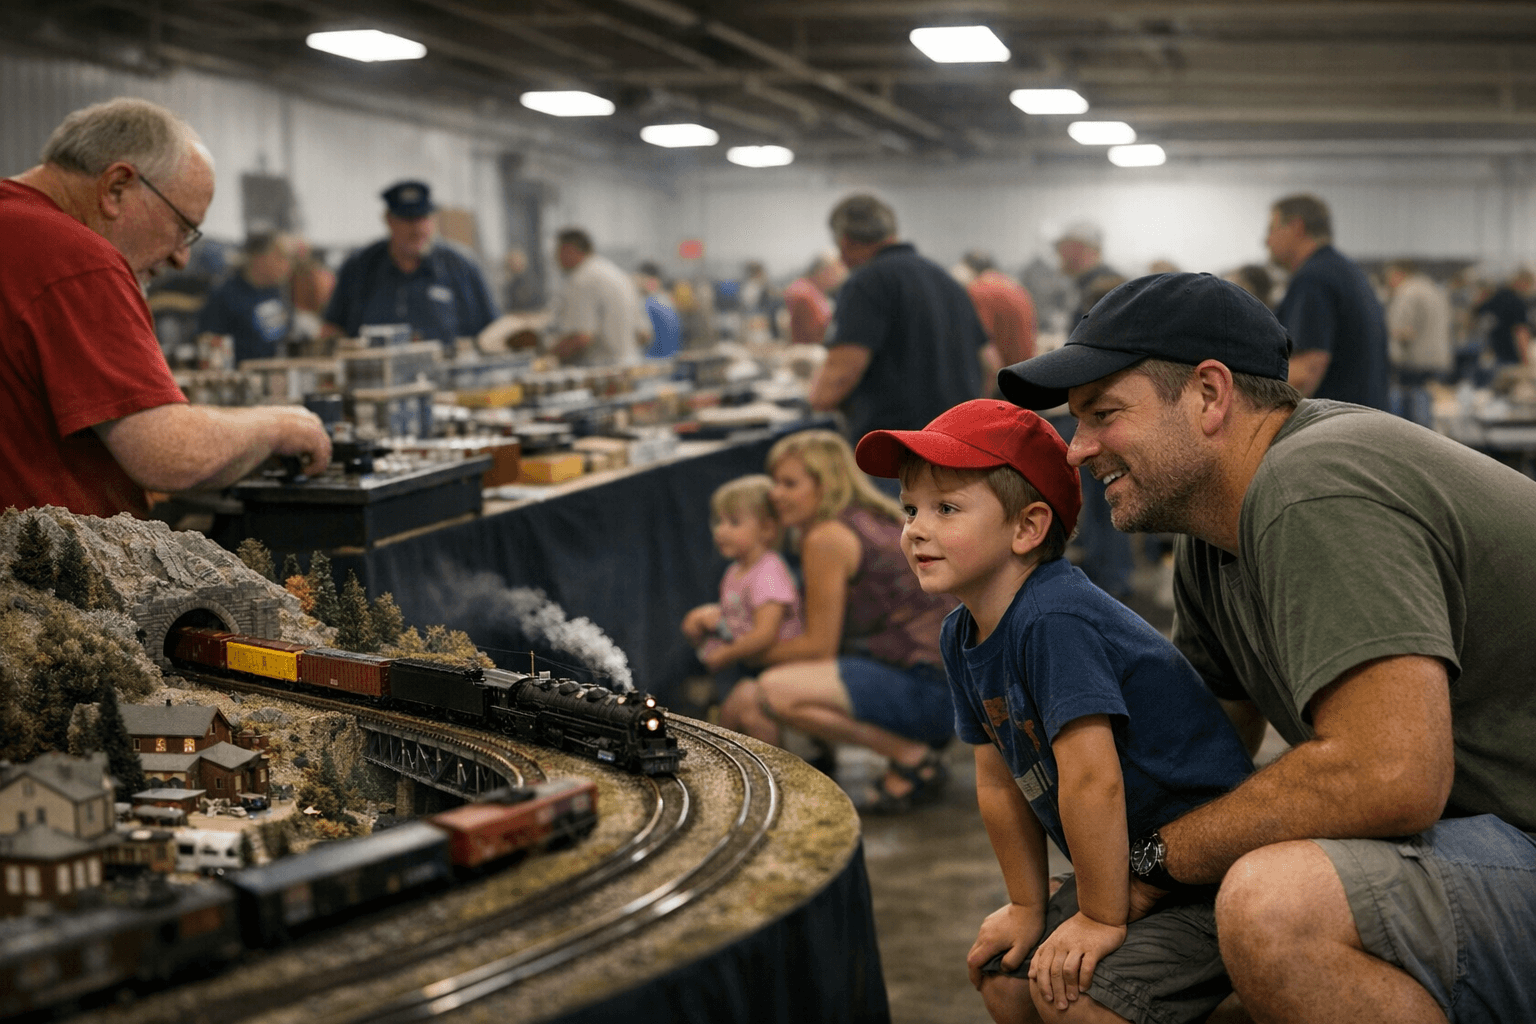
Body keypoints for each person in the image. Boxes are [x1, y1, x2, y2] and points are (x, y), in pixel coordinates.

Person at [999, 271, 1536, 1024]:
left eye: (1103, 414)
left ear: (1211, 396)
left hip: (1513, 836)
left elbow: (1388, 773)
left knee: (1277, 907)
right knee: (1032, 978)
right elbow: (1202, 747)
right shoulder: (1213, 537)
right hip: (1479, 836)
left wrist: (1154, 860)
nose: (1078, 449)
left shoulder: (1315, 485)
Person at [854, 399, 1254, 1024]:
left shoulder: (1053, 620)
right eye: (910, 510)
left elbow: (1093, 781)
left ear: (1027, 527)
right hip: (1127, 869)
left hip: (1208, 881)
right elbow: (996, 781)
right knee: (1005, 978)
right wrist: (1026, 906)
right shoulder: (961, 634)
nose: (915, 529)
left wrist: (1096, 917)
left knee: (1075, 1004)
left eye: (946, 508)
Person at [0, 97, 330, 519]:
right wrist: (281, 426)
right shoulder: (75, 258)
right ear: (117, 187)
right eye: (183, 227)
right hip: (43, 572)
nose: (181, 259)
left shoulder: (16, 232)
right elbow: (168, 455)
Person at [720, 430, 958, 809]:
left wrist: (739, 651)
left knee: (770, 690)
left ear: (825, 482)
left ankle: (913, 758)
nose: (774, 494)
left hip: (929, 691)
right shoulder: (867, 517)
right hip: (946, 680)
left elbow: (819, 645)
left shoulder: (826, 537)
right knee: (762, 692)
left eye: (789, 483)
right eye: (774, 482)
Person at [810, 194, 990, 447]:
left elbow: (842, 371)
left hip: (895, 448)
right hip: (955, 444)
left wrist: (813, 404)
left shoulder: (865, 283)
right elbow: (990, 364)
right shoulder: (946, 280)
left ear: (845, 242)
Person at [323, 180, 498, 348]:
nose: (418, 229)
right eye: (408, 219)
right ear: (389, 220)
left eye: (423, 218)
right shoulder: (359, 268)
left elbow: (494, 334)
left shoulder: (463, 268)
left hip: (449, 375)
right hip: (377, 375)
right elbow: (332, 330)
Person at [681, 475, 804, 698]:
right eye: (719, 522)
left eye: (734, 523)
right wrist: (712, 616)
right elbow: (742, 615)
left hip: (771, 667)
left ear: (766, 529)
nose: (721, 531)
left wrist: (725, 655)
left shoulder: (769, 573)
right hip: (746, 659)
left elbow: (764, 634)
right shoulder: (735, 570)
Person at [1265, 193, 1390, 409]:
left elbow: (1307, 369)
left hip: (1339, 430)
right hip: (1366, 422)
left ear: (1296, 228)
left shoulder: (1313, 279)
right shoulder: (1346, 271)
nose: (1266, 241)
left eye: (1272, 229)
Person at [547, 227, 649, 366]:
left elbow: (582, 337)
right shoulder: (619, 275)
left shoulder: (581, 279)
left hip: (602, 373)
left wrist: (545, 355)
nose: (556, 258)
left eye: (557, 252)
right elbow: (643, 335)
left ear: (568, 250)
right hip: (631, 365)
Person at [196, 231, 294, 363]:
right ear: (258, 257)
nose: (287, 265)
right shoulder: (225, 294)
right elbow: (210, 342)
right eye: (280, 257)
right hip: (241, 374)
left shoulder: (278, 291)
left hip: (277, 373)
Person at [1383, 259, 1453, 425]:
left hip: (1414, 360)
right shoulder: (1434, 289)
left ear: (1399, 274)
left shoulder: (1407, 292)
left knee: (1410, 416)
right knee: (1425, 404)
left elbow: (1402, 331)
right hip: (1437, 358)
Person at [962, 251, 1039, 369]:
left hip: (1003, 377)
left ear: (967, 270)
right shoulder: (1015, 287)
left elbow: (985, 347)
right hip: (1025, 371)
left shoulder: (979, 290)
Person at [1054, 221, 1120, 325]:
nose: (1065, 256)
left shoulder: (1107, 286)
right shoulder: (1083, 283)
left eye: (1073, 249)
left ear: (1094, 251)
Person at [1472, 266, 1532, 368]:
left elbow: (1477, 313)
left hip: (1492, 353)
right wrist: (1526, 362)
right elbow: (1521, 332)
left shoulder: (1497, 296)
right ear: (1523, 282)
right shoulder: (1518, 303)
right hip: (1511, 356)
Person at [782, 251, 845, 346]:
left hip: (811, 346)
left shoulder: (811, 288)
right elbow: (816, 330)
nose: (839, 277)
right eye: (834, 271)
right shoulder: (803, 291)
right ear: (822, 271)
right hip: (810, 348)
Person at [636, 261, 682, 358]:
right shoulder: (668, 300)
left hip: (652, 362)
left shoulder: (646, 303)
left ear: (645, 278)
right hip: (672, 360)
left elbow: (644, 336)